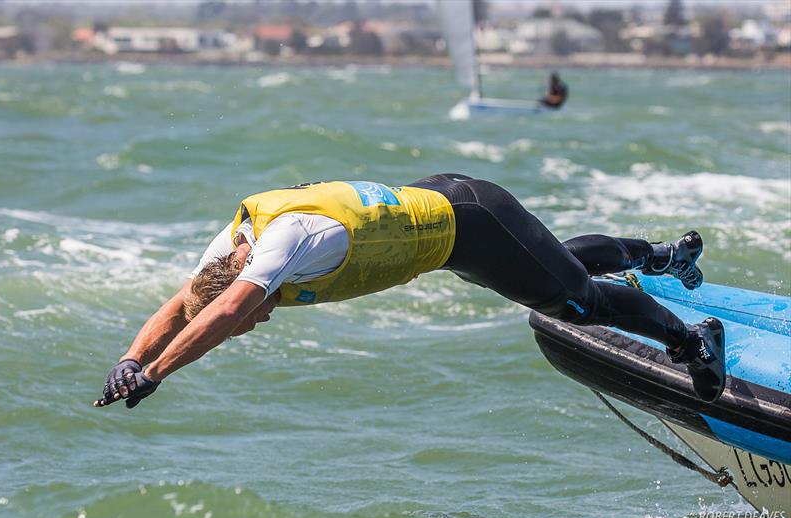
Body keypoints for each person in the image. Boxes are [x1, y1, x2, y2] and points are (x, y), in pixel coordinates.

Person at [94, 175, 726, 410]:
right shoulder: (225, 253)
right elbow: (186, 303)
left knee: (578, 301)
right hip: (451, 210)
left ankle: (692, 339)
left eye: (247, 321)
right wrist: (130, 360)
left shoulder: (281, 245)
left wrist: (158, 376)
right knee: (547, 259)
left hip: (468, 223)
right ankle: (663, 256)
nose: (254, 325)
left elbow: (225, 309)